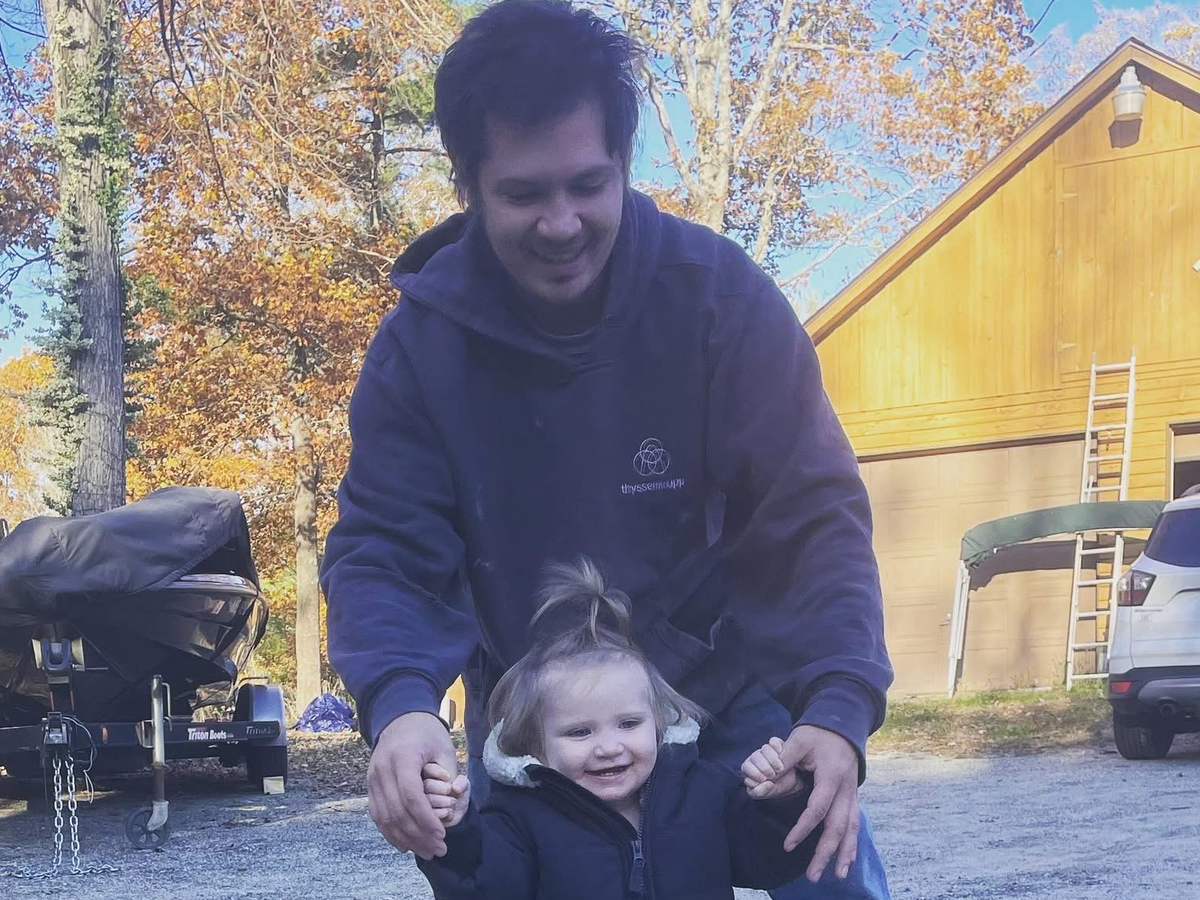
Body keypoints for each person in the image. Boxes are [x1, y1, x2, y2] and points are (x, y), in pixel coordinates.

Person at [319, 1, 894, 897]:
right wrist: (400, 706)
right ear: (469, 186)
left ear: (625, 164)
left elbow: (809, 515)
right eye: (523, 194)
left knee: (829, 865)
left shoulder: (719, 300)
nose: (561, 224)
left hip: (719, 688)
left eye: (588, 185)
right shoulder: (418, 349)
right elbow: (386, 548)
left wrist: (836, 705)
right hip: (536, 719)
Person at [415, 558, 823, 900]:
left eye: (628, 724)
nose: (609, 747)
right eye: (580, 732)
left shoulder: (705, 791)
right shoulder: (518, 818)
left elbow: (769, 861)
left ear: (659, 722)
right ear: (535, 744)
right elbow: (484, 888)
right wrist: (457, 831)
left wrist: (783, 799)